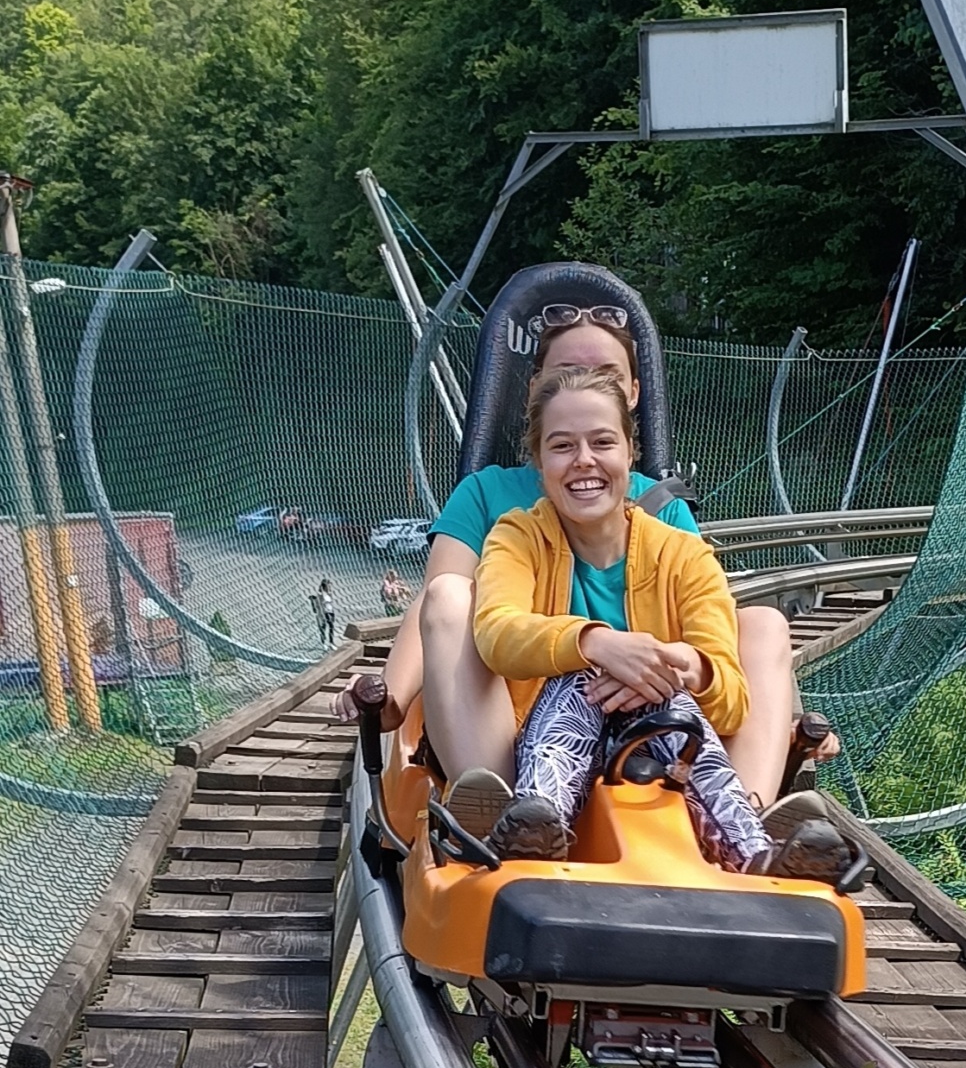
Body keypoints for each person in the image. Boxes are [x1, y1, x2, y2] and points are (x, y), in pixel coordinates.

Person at [335, 305, 836, 811]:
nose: (586, 388)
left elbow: (710, 627)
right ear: (538, 390)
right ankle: (500, 806)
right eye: (568, 373)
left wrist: (687, 671)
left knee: (764, 623)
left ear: (630, 399)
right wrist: (390, 696)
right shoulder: (498, 506)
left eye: (605, 378)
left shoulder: (667, 521)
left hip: (644, 708)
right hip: (516, 709)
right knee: (451, 593)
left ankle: (746, 813)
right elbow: (439, 605)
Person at [470, 364, 853, 880]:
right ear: (539, 462)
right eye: (562, 446)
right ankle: (538, 824)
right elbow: (498, 632)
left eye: (602, 442)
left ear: (630, 453)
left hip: (661, 741)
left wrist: (687, 666)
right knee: (576, 683)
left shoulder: (683, 554)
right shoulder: (517, 536)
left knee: (670, 699)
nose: (584, 460)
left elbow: (733, 701)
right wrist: (597, 644)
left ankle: (751, 850)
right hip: (550, 726)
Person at [311, 578, 335, 647]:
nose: (329, 587)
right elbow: (318, 601)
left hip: (330, 612)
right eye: (328, 585)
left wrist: (333, 612)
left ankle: (330, 642)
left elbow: (331, 603)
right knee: (326, 627)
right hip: (324, 612)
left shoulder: (329, 593)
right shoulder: (321, 594)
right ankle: (324, 643)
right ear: (324, 586)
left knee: (330, 627)